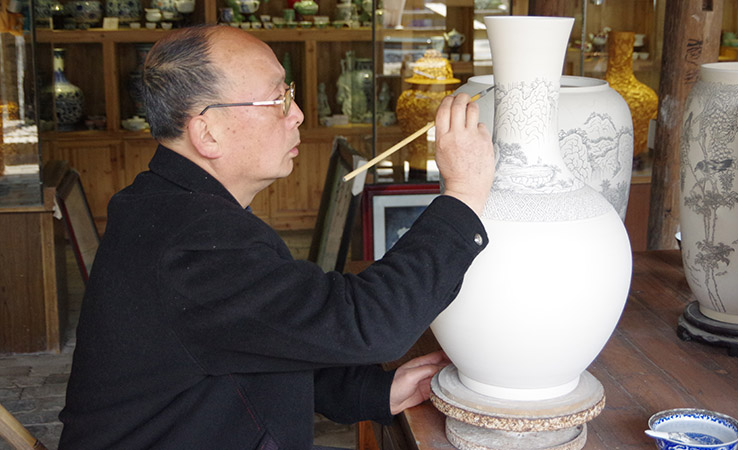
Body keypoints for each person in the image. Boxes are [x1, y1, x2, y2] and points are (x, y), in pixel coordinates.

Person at [59, 24, 495, 450]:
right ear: (206, 132)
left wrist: (376, 392)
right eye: (278, 98)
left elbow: (260, 337)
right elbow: (368, 324)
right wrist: (463, 195)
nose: (298, 113)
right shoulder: (192, 243)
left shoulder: (165, 205)